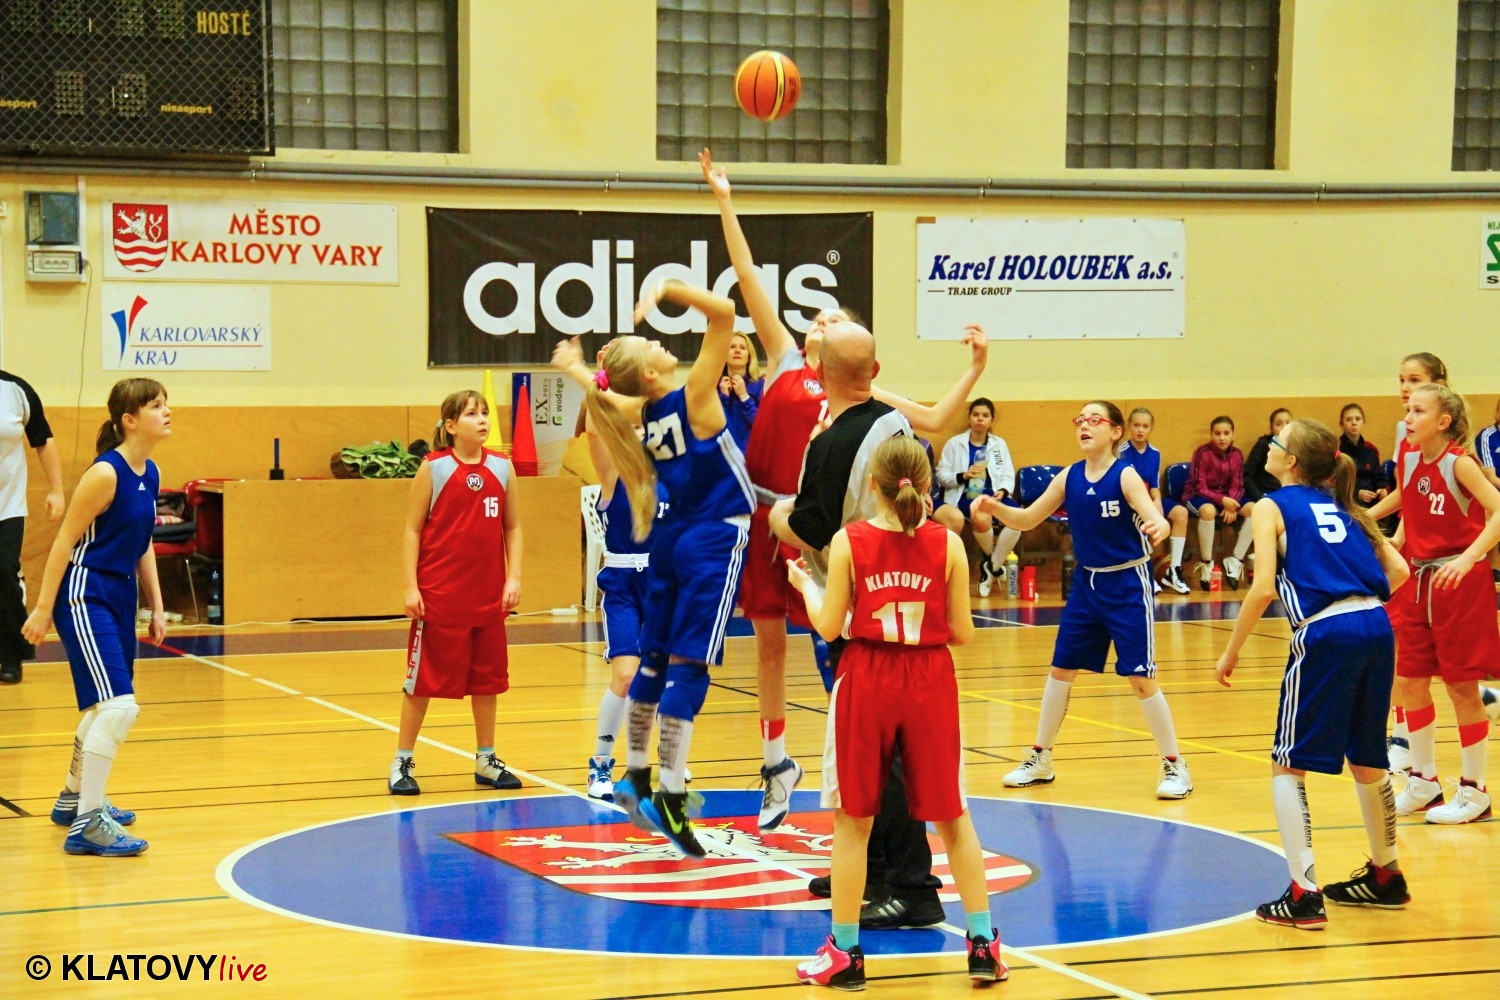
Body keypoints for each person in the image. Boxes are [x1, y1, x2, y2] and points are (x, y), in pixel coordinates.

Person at [702, 147, 987, 833]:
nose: (820, 321)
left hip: (821, 528)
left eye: (834, 318)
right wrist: (725, 201)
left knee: (835, 642)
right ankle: (776, 764)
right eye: (818, 317)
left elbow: (933, 420)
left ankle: (863, 750)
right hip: (767, 514)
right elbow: (746, 275)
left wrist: (975, 371)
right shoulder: (779, 360)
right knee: (768, 642)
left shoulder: (858, 391)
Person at [787, 435, 1006, 989]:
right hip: (929, 678)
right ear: (926, 485)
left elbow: (829, 627)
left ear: (872, 484)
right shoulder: (948, 544)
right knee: (953, 817)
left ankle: (845, 954)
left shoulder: (849, 540)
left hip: (867, 676)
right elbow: (963, 634)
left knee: (854, 821)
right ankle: (983, 945)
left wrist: (805, 586)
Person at [553, 277, 753, 858]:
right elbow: (726, 314)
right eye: (650, 344)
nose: (660, 341)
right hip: (713, 535)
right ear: (647, 372)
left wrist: (581, 369)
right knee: (690, 671)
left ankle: (636, 776)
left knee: (653, 664)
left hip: (670, 542)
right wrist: (668, 287)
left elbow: (606, 397)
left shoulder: (643, 408)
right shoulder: (692, 395)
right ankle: (670, 791)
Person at [769, 319, 949, 930]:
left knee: (882, 758)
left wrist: (778, 516)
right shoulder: (896, 427)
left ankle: (913, 885)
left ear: (819, 371)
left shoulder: (835, 443)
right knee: (873, 754)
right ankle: (870, 867)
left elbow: (812, 528)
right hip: (906, 607)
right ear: (874, 372)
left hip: (858, 615)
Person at [1215, 419, 1411, 929]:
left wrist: (1231, 651)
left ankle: (1304, 894)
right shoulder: (1345, 506)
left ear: (1292, 461)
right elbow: (1399, 572)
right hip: (1376, 625)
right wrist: (1355, 597)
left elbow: (1262, 588)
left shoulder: (1272, 505)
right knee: (1367, 757)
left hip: (1326, 632)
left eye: (1277, 441)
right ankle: (1387, 875)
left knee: (1288, 762)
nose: (1269, 445)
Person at [979, 401, 1190, 799]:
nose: (1085, 426)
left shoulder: (1125, 476)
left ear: (1115, 432)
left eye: (1095, 420)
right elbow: (1027, 519)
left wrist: (1159, 526)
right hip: (1087, 585)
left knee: (1140, 678)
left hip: (1127, 584)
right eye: (1080, 420)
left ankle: (1175, 765)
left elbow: (1156, 517)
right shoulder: (1069, 476)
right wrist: (996, 508)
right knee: (1061, 670)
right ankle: (1041, 758)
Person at [22, 378, 170, 857]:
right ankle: (88, 823)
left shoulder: (151, 472)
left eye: (165, 404)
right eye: (155, 405)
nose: (166, 411)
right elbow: (64, 540)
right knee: (120, 707)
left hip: (120, 595)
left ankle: (73, 799)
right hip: (85, 593)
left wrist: (157, 605)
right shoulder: (105, 473)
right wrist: (42, 608)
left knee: (104, 708)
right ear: (129, 420)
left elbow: (143, 542)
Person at [390, 390, 524, 796]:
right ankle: (402, 761)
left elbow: (513, 526)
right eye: (471, 414)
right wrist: (411, 586)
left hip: (488, 596)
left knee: (488, 681)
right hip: (440, 596)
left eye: (484, 413)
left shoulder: (502, 467)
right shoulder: (434, 467)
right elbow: (412, 529)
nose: (482, 420)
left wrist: (513, 578)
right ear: (450, 426)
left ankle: (486, 758)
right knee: (422, 682)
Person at [1380, 384, 1500, 824]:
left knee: (1461, 687)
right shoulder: (1409, 458)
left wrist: (1470, 557)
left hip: (1459, 581)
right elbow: (1411, 509)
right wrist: (1391, 539)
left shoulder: (1460, 463)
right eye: (1408, 410)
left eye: (1418, 411)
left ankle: (1475, 791)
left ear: (1443, 422)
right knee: (1408, 681)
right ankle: (1424, 781)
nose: (1408, 417)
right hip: (1419, 581)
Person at [582, 410, 669, 800]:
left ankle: (666, 760)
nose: (637, 433)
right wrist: (600, 386)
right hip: (622, 585)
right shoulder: (612, 474)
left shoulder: (668, 477)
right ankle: (600, 764)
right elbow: (592, 431)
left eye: (642, 426)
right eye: (629, 427)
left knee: (663, 676)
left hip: (661, 582)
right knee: (625, 675)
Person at [0, 369, 66, 684]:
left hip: (6, 505)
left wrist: (56, 490)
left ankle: (11, 655)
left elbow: (43, 439)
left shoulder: (16, 389)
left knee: (4, 572)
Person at [934, 398, 1020, 597]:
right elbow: (941, 475)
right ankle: (993, 563)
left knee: (1018, 518)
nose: (980, 419)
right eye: (976, 415)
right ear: (969, 418)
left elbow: (1008, 474)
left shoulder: (998, 445)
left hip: (994, 496)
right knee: (981, 514)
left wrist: (1003, 491)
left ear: (991, 420)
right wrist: (963, 475)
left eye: (985, 415)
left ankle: (991, 566)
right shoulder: (955, 444)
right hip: (966, 496)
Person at [1183, 415, 1250, 590]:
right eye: (1217, 433)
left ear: (1233, 435)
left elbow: (1238, 484)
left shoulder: (1237, 454)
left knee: (1255, 509)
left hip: (1228, 497)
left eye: (1226, 433)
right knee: (1208, 511)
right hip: (1199, 496)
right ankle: (1207, 563)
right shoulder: (1202, 453)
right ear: (1211, 435)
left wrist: (1232, 504)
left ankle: (1235, 561)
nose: (1222, 438)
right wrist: (1223, 500)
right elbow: (1200, 487)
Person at [1116, 407, 1171, 594]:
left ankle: (1166, 572)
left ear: (1151, 429)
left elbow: (1154, 486)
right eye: (1136, 425)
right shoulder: (1121, 451)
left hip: (1146, 499)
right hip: (1126, 500)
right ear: (1129, 426)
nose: (1140, 430)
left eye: (1145, 426)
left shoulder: (1155, 453)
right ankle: (1139, 576)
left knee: (1161, 520)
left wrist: (1157, 504)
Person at [718, 331, 763, 449]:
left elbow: (762, 426)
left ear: (749, 356)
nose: (737, 350)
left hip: (750, 453)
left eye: (742, 347)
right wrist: (723, 398)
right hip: (721, 453)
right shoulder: (714, 386)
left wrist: (744, 397)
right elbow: (712, 427)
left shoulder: (760, 385)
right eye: (732, 347)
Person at [1338, 403, 1387, 509]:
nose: (1354, 423)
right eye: (1348, 420)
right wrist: (1357, 493)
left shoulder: (1371, 449)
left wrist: (1381, 489)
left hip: (1372, 501)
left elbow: (1379, 476)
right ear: (1342, 424)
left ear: (1363, 422)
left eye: (1358, 419)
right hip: (1347, 501)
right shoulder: (1337, 449)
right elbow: (1335, 482)